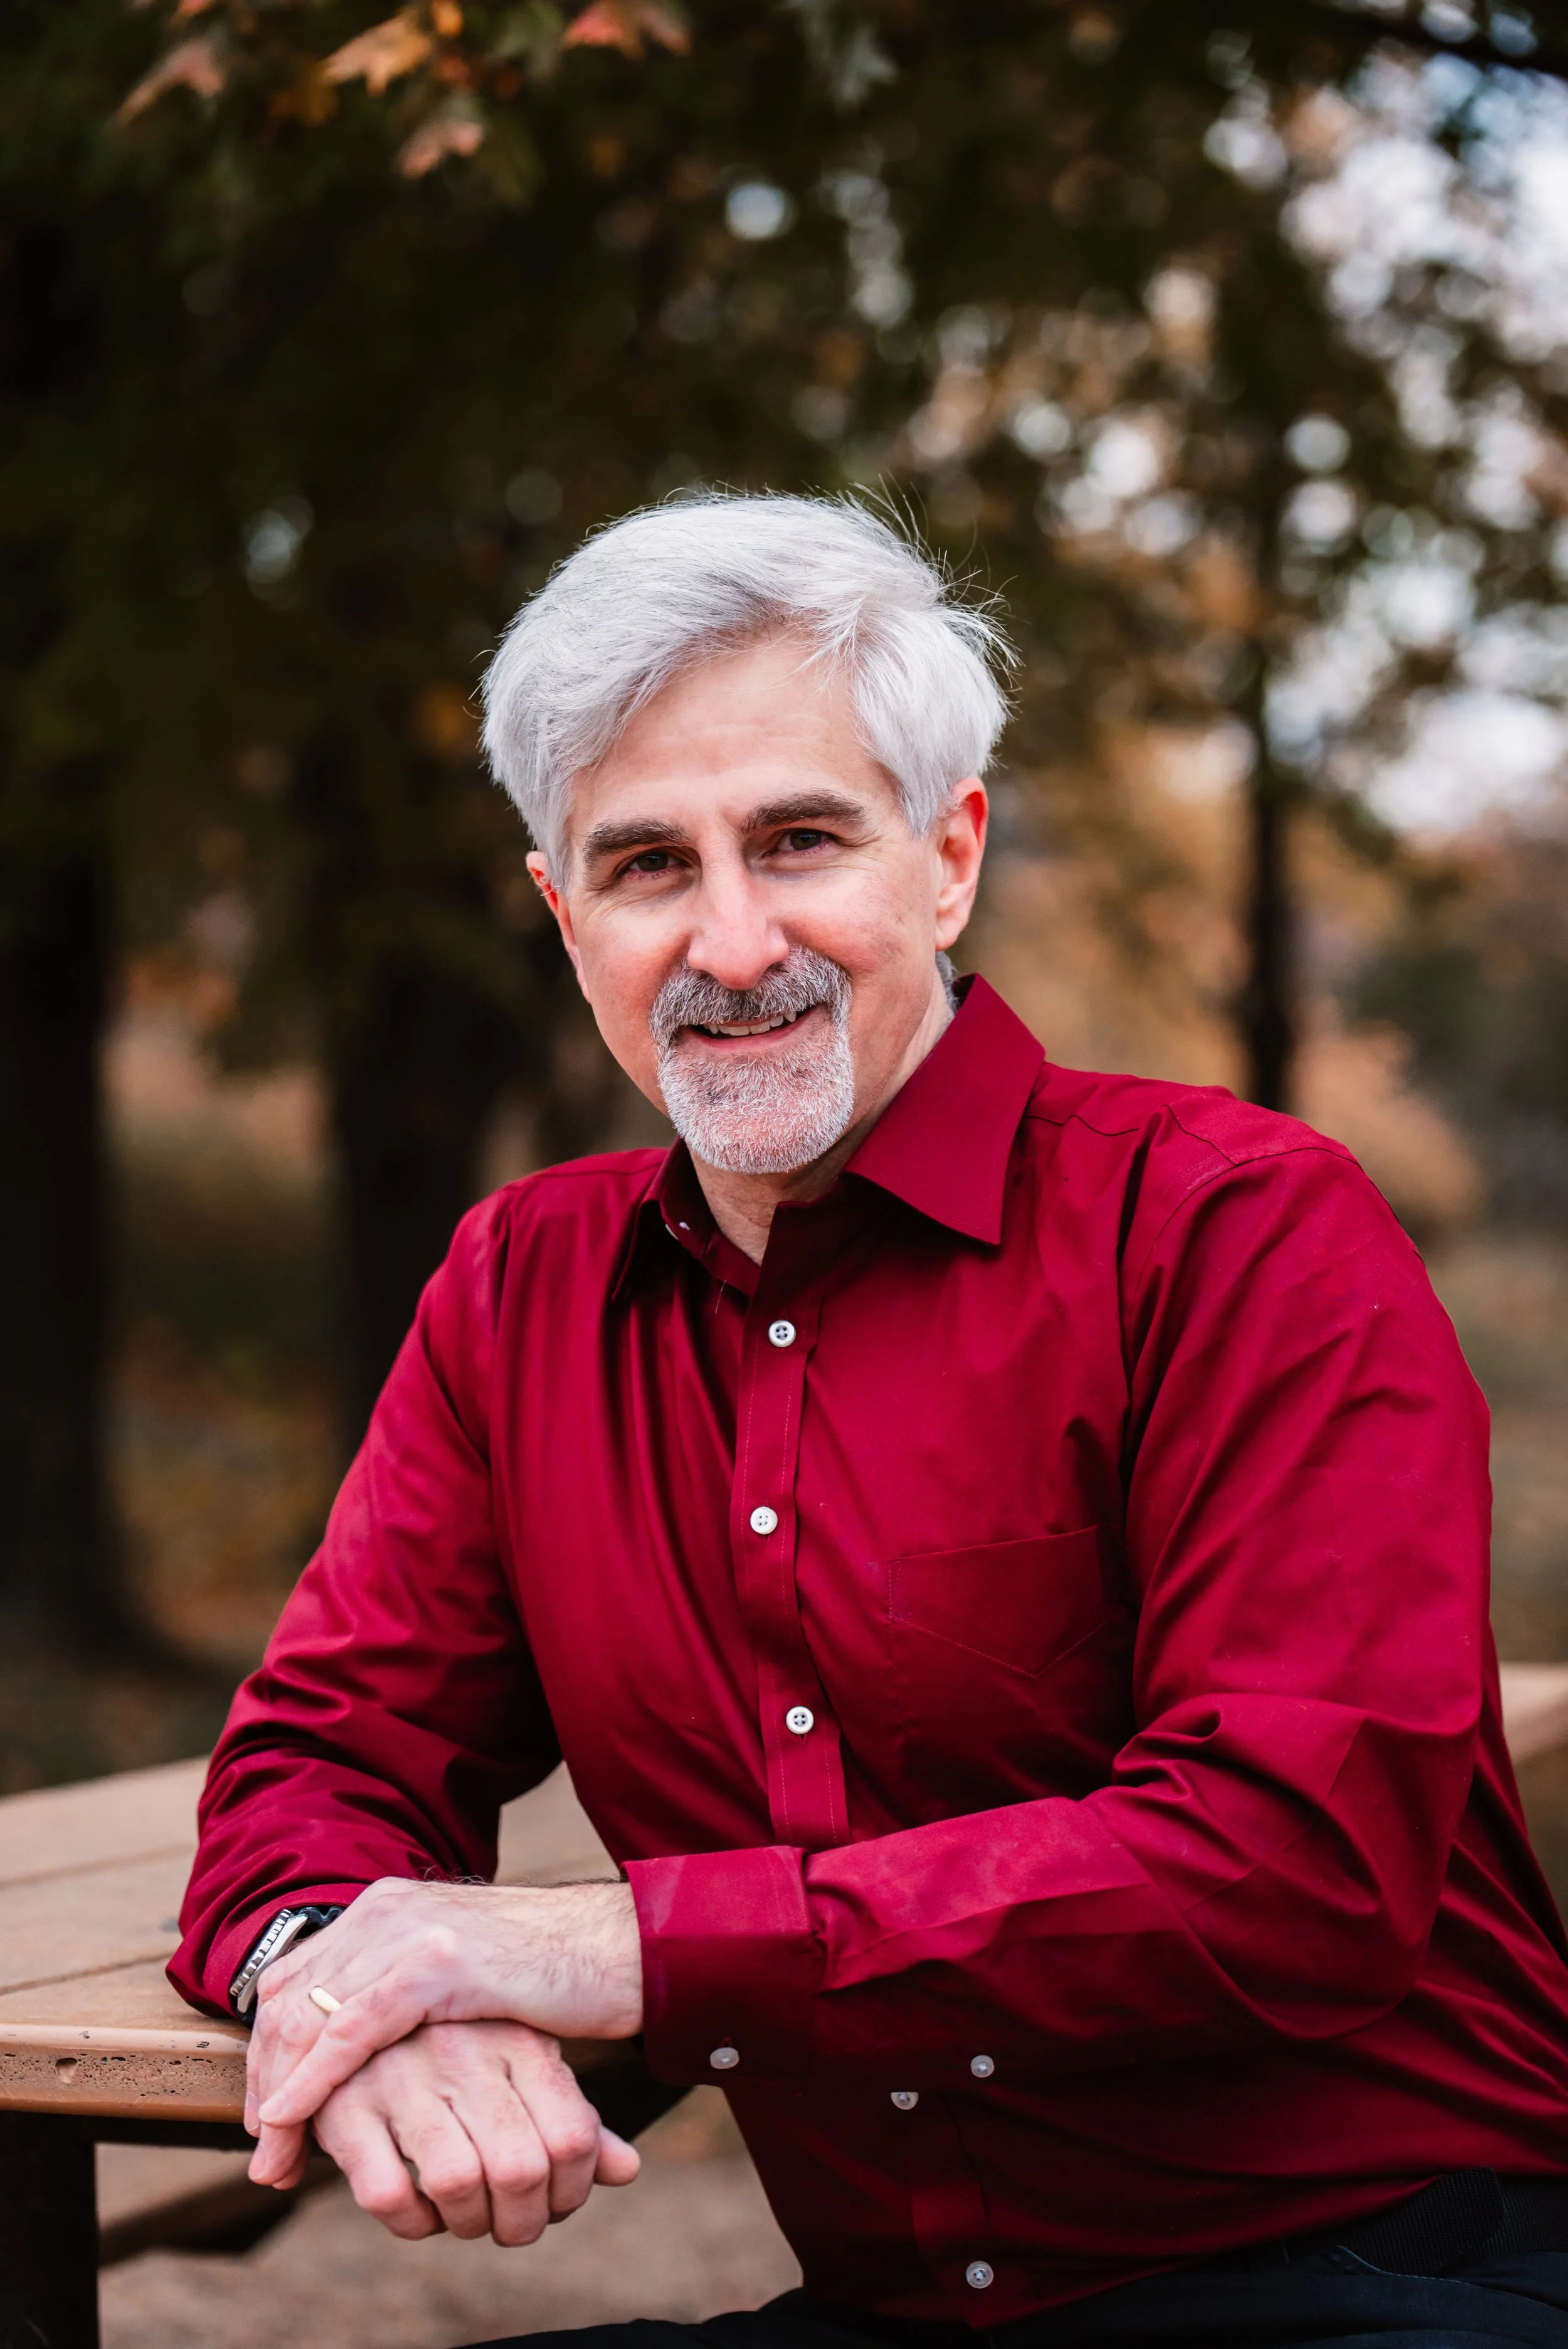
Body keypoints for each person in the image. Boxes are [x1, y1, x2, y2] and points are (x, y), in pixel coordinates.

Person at [174, 495, 1568, 2348]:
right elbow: (317, 1762)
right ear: (561, 912)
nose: (734, 944)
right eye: (646, 864)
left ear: (948, 855)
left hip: (1384, 2272)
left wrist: (603, 1951)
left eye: (800, 839)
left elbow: (1285, 1864)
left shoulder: (1236, 1228)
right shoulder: (522, 1288)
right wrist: (335, 1988)